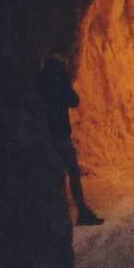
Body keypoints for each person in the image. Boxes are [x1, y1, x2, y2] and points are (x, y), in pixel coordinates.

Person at [37, 52, 104, 227]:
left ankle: (57, 214)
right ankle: (79, 212)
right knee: (72, 173)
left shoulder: (41, 85)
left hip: (47, 137)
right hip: (60, 136)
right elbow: (74, 100)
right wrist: (65, 82)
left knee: (57, 175)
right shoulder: (58, 85)